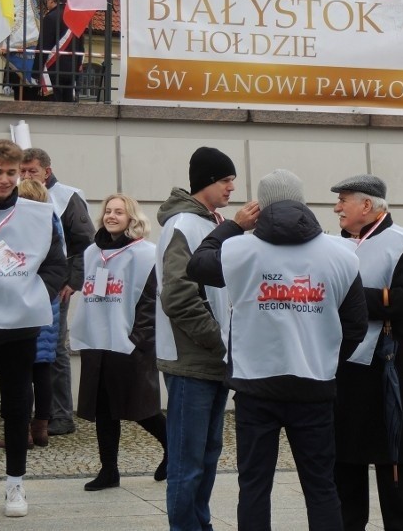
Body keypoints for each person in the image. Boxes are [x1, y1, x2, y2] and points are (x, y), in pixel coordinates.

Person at [187, 169, 368, 531]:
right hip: (314, 385)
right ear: (302, 203)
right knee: (320, 486)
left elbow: (197, 263)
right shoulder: (342, 253)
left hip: (256, 385)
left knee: (254, 486)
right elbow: (356, 326)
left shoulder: (238, 248)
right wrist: (324, 354)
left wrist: (233, 226)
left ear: (261, 206)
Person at [330, 174, 403, 531]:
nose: (337, 207)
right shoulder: (333, 244)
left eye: (343, 200)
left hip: (385, 364)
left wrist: (348, 299)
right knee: (346, 458)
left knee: (391, 459)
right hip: (343, 364)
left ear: (366, 206)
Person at [155, 146, 238, 531]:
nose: (231, 187)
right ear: (206, 182)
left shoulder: (211, 222)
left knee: (207, 456)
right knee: (187, 462)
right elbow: (178, 296)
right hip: (193, 358)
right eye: (225, 180)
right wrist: (218, 341)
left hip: (212, 357)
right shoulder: (184, 225)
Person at [69, 194, 168, 492]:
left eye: (119, 212)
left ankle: (173, 450)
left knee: (141, 408)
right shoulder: (92, 253)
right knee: (103, 410)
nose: (112, 216)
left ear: (131, 218)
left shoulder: (145, 254)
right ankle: (109, 470)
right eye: (108, 211)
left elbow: (150, 302)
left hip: (129, 342)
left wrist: (135, 339)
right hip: (98, 342)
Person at [0, 139, 66, 517]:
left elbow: (57, 265)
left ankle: (15, 486)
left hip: (18, 325)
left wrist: (33, 291)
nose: (4, 179)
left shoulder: (37, 213)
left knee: (17, 405)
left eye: (11, 172)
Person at [20, 147, 94, 437]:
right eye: (22, 171)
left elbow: (84, 243)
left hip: (54, 287)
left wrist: (72, 282)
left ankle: (61, 416)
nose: (25, 176)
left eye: (31, 171)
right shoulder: (18, 194)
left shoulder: (67, 196)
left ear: (46, 172)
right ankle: (36, 417)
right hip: (21, 286)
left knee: (53, 352)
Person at [0, 179, 62, 451]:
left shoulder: (35, 223)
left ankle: (24, 432)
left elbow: (55, 262)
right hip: (38, 304)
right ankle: (37, 428)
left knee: (22, 377)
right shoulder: (49, 219)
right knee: (39, 369)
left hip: (25, 307)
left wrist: (32, 295)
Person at [38, 0, 83, 102]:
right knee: (68, 108)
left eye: (47, 1)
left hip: (53, 70)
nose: (47, 4)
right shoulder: (75, 18)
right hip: (71, 70)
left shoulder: (49, 18)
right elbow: (81, 47)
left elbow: (43, 46)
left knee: (54, 106)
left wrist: (36, 71)